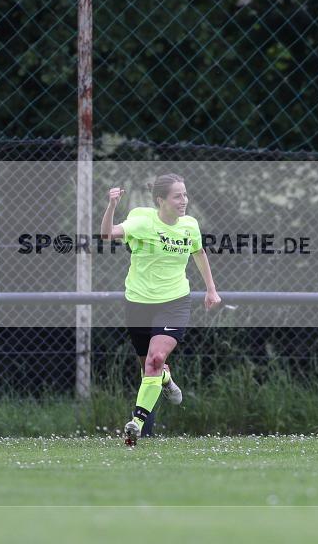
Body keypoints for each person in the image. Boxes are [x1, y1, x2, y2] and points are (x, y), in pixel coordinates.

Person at [100, 173, 221, 446]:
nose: (184, 201)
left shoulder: (190, 225)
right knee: (149, 368)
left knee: (155, 358)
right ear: (161, 200)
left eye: (185, 195)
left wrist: (211, 289)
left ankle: (136, 424)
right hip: (139, 303)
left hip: (175, 302)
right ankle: (165, 377)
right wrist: (111, 206)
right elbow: (107, 234)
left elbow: (198, 253)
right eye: (177, 196)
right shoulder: (143, 220)